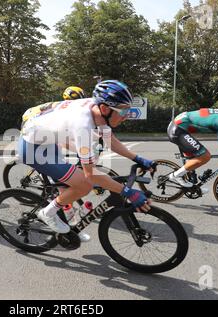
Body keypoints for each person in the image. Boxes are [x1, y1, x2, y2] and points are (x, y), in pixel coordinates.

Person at [19, 80, 154, 236]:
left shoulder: (97, 108)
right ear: (105, 108)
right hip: (33, 149)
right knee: (84, 185)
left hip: (47, 136)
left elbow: (110, 140)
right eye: (123, 111)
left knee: (68, 186)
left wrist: (138, 158)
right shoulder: (84, 127)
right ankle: (47, 213)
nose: (126, 116)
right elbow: (90, 175)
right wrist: (128, 192)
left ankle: (68, 224)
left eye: (129, 111)